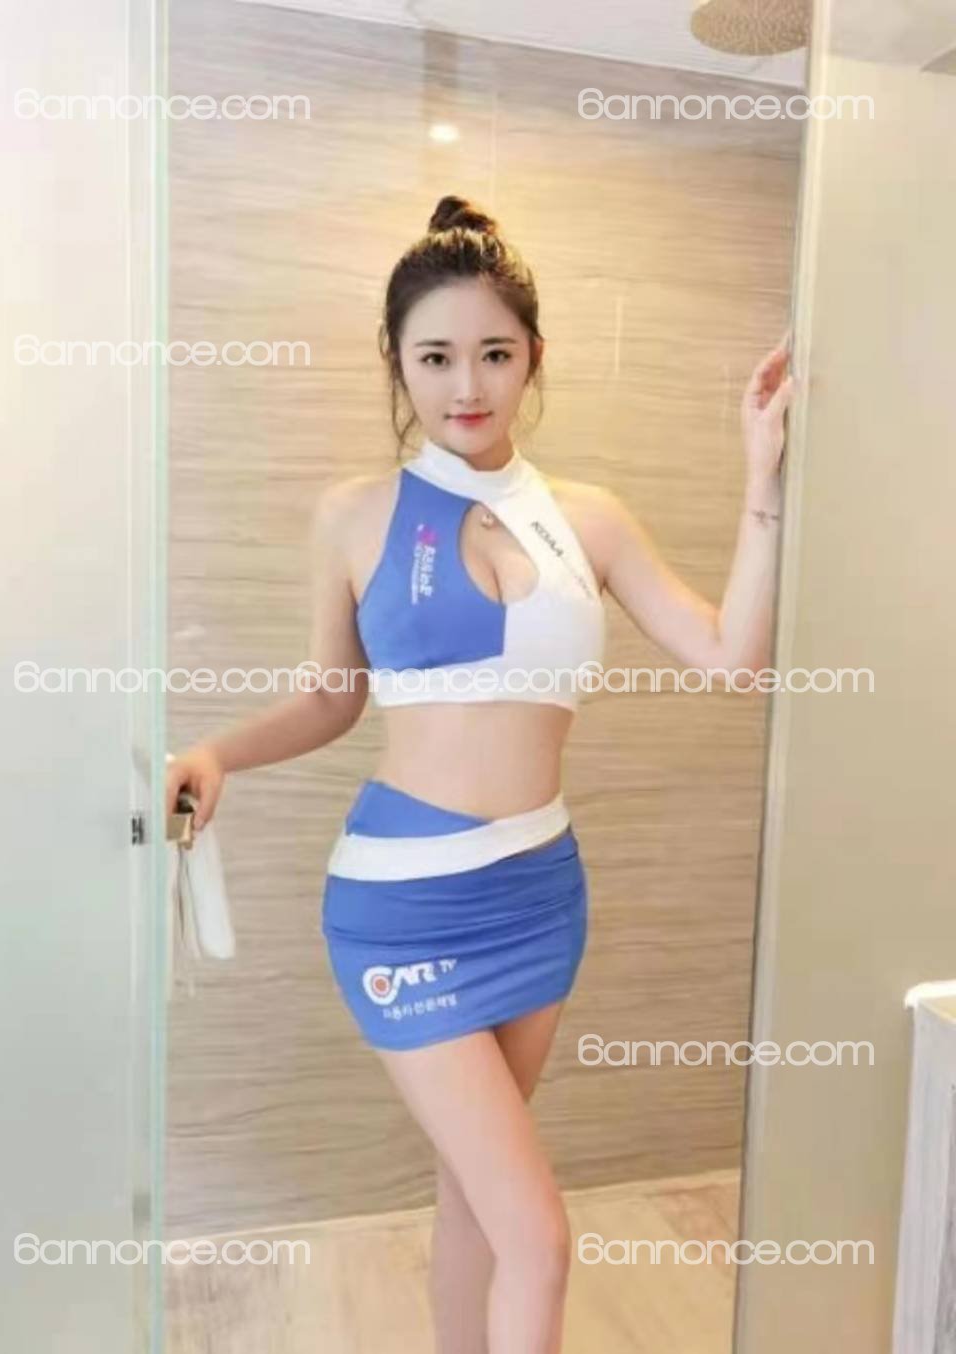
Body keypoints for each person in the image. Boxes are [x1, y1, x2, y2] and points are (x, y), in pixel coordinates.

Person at [165, 193, 794, 1354]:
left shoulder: (589, 519)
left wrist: (762, 480)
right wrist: (215, 751)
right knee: (539, 1238)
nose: (467, 384)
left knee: (478, 1200)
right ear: (396, 362)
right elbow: (332, 696)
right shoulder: (353, 517)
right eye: (436, 356)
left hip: (538, 896)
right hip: (401, 908)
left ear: (533, 358)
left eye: (495, 354)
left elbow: (730, 657)